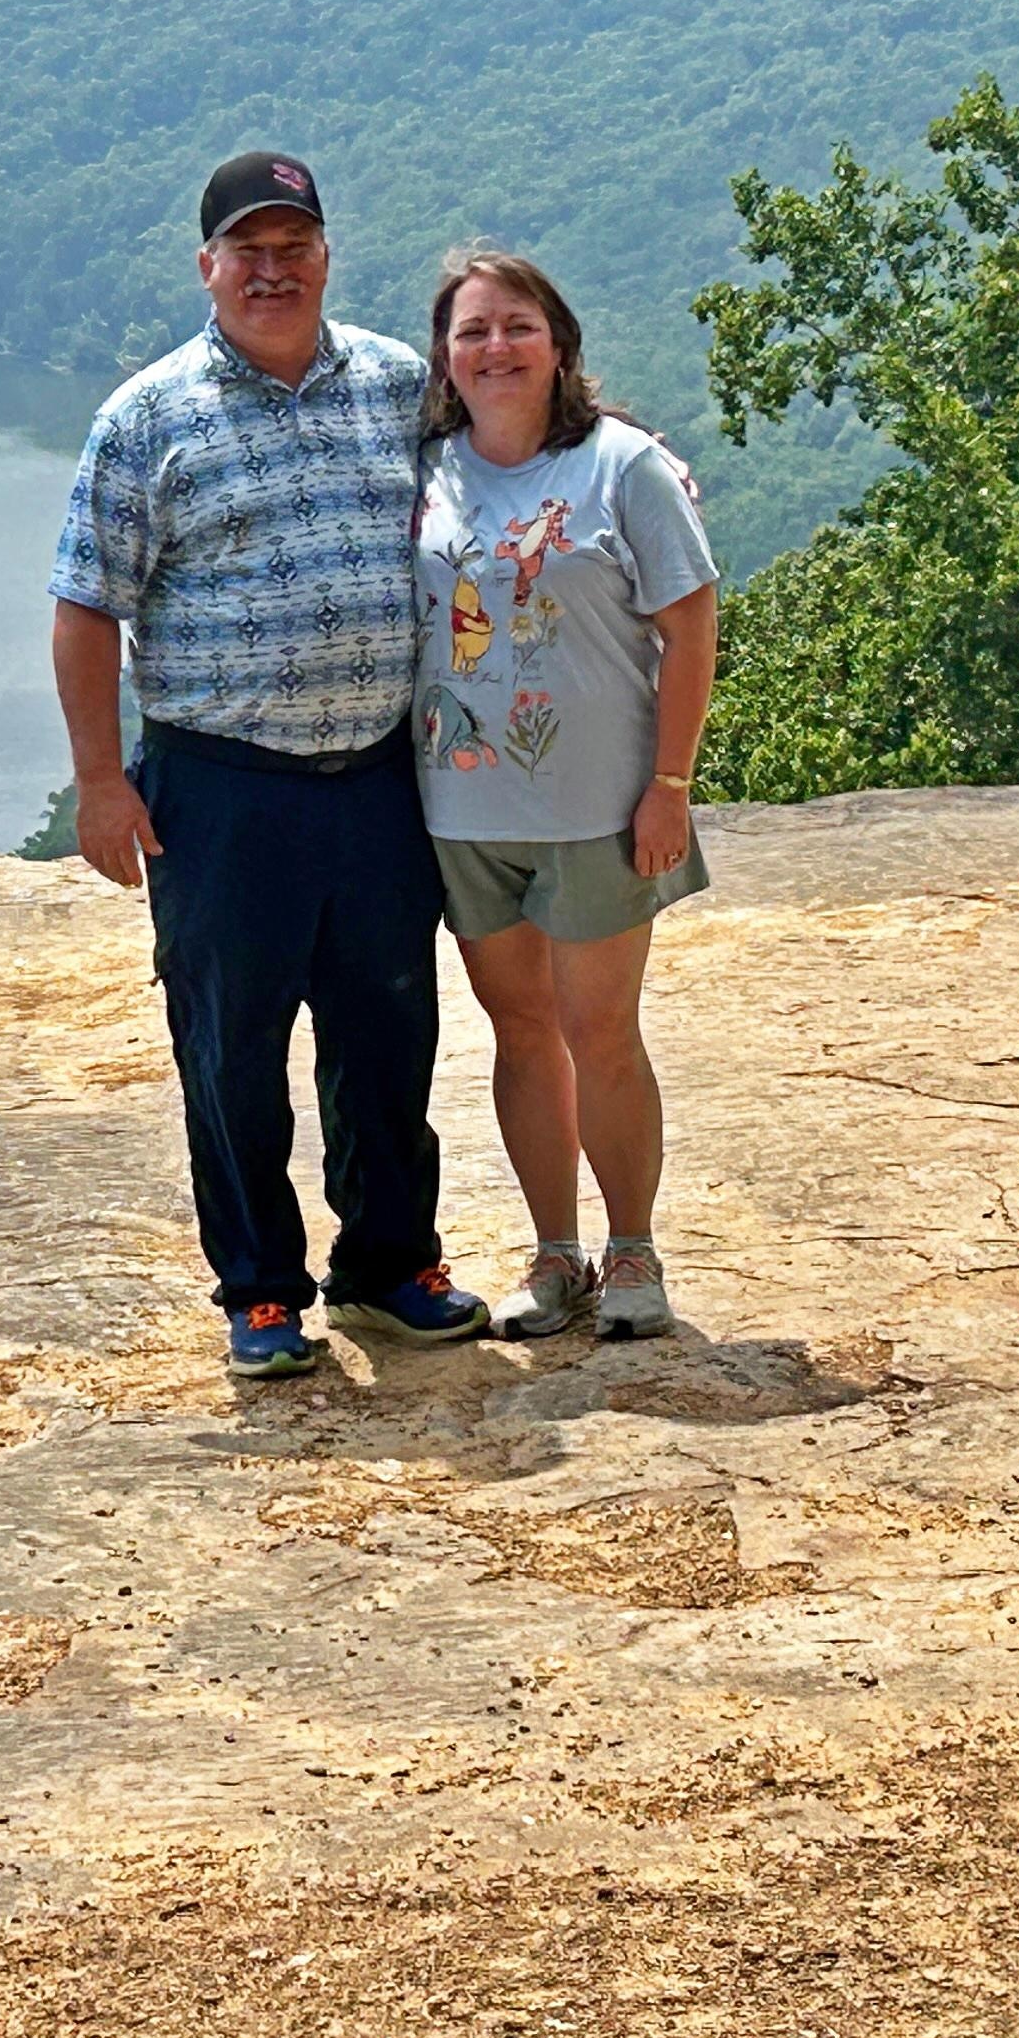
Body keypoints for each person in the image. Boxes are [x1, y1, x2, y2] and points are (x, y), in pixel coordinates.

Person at [50, 153, 492, 1379]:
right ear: (208, 269)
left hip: (380, 777)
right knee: (232, 1048)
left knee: (388, 1034)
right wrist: (100, 780)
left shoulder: (401, 387)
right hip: (223, 786)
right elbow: (86, 607)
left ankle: (392, 1266)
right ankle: (258, 1291)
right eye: (248, 250)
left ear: (326, 259)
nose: (272, 269)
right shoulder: (148, 417)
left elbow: (505, 485)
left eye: (293, 246)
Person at [409, 248, 719, 1341]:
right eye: (473, 331)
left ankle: (633, 1250)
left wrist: (669, 784)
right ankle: (556, 1254)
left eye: (518, 327)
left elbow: (690, 625)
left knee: (602, 1030)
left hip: (597, 803)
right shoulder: (429, 473)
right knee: (520, 1030)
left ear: (559, 344)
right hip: (464, 810)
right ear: (446, 359)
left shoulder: (623, 467)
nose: (497, 348)